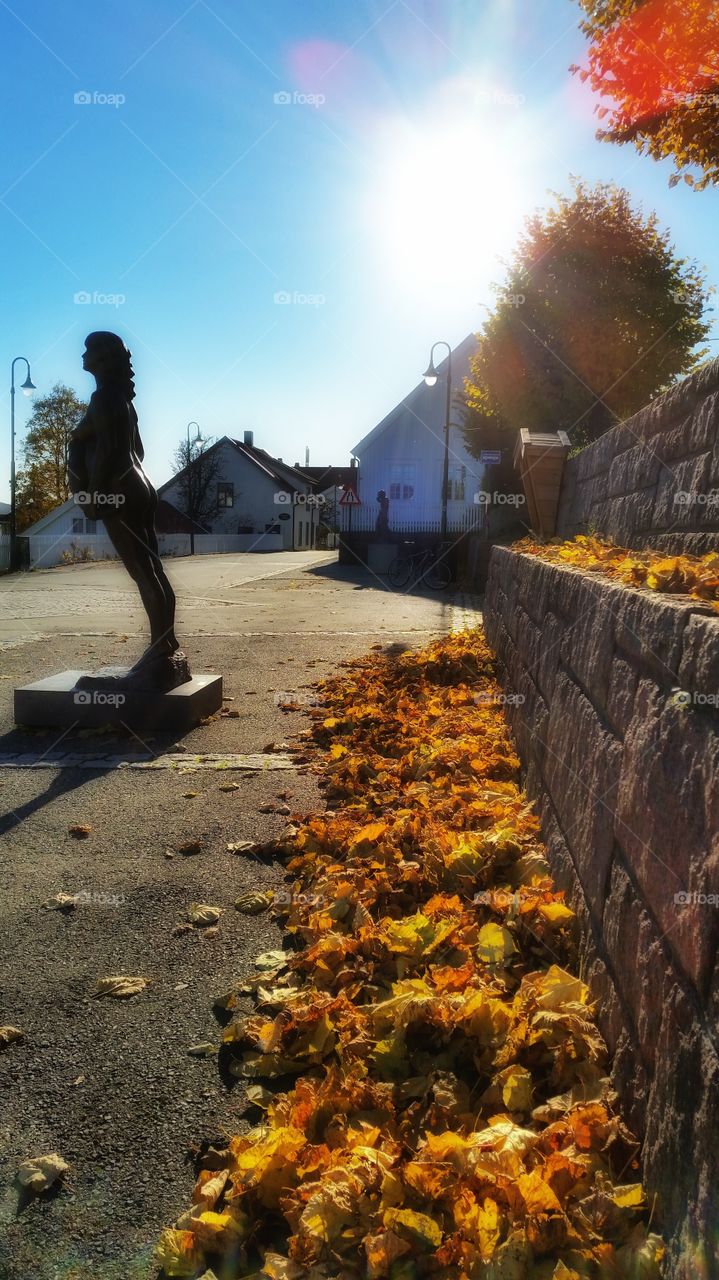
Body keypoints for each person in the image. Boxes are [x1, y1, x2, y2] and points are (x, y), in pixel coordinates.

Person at [68, 332, 187, 686]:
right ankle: (164, 642)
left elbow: (106, 449)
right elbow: (138, 449)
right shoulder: (123, 400)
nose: (83, 355)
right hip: (138, 484)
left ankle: (159, 646)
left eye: (89, 350)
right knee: (152, 567)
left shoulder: (103, 397)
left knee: (141, 570)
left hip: (116, 490)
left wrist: (92, 493)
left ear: (103, 359)